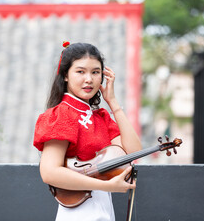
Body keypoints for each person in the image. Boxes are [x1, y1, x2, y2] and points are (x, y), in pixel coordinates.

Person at [33, 42, 142, 221]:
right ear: (66, 75)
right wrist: (105, 185)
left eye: (95, 72)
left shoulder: (100, 117)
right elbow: (49, 172)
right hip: (78, 212)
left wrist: (113, 103)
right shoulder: (61, 114)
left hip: (103, 210)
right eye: (80, 71)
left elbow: (133, 152)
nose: (89, 79)